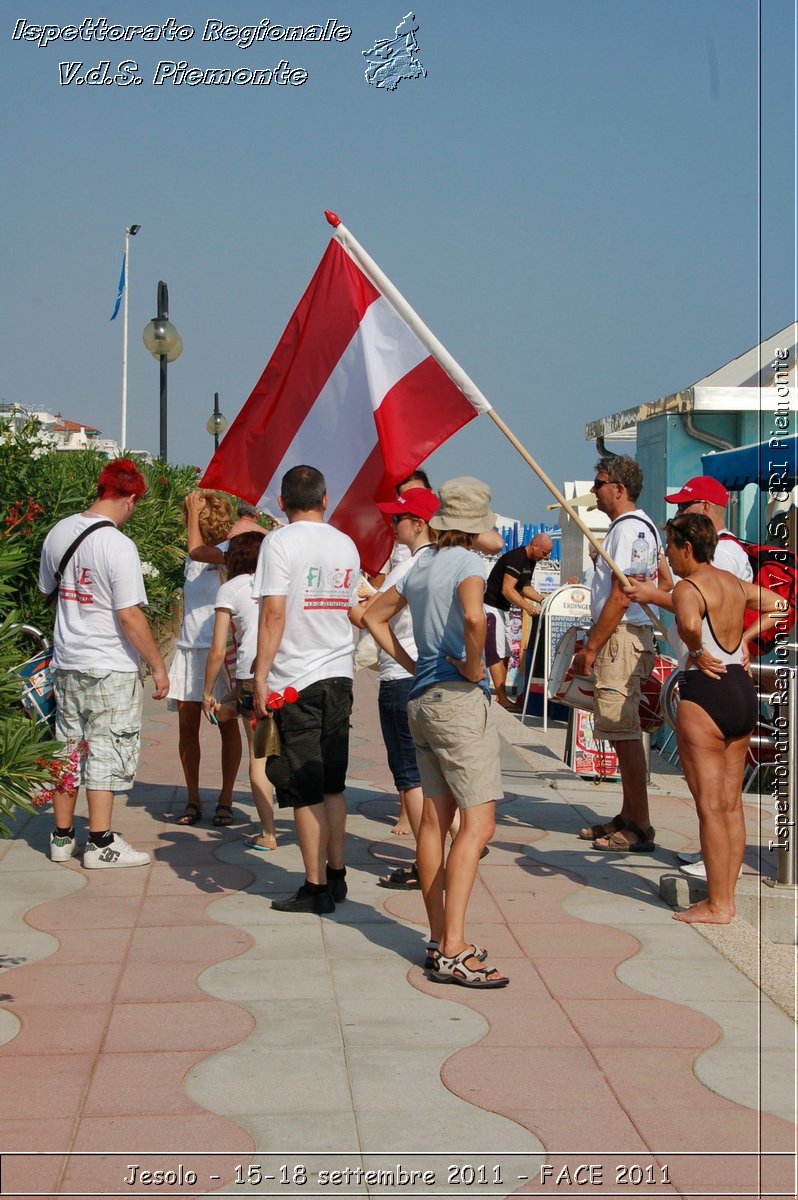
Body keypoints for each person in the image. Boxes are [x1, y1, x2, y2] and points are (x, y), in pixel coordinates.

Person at [364, 477, 509, 989]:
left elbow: (371, 615)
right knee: (479, 825)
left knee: (433, 820)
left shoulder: (420, 564)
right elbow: (475, 616)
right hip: (457, 702)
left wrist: (408, 661)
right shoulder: (470, 563)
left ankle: (436, 937)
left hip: (419, 697)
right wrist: (474, 667)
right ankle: (454, 947)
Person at [38, 458, 169, 868]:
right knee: (107, 751)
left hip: (68, 659)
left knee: (67, 749)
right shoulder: (118, 545)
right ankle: (101, 843)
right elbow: (130, 615)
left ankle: (62, 837)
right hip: (110, 663)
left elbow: (49, 591)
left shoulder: (58, 532)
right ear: (130, 498)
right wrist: (157, 666)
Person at [660, 513, 784, 923]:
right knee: (731, 806)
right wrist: (746, 642)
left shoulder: (687, 588)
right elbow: (779, 603)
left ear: (687, 548)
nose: (668, 555)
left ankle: (717, 905)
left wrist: (695, 649)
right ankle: (725, 897)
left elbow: (691, 624)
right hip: (741, 689)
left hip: (706, 687)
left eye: (670, 547)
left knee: (710, 807)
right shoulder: (732, 583)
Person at [252, 465, 360, 914]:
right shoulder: (345, 543)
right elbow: (352, 606)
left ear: (281, 502)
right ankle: (337, 876)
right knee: (334, 785)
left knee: (303, 788)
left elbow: (274, 613)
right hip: (340, 674)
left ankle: (314, 888)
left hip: (295, 680)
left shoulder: (279, 542)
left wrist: (260, 673)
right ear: (325, 498)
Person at [633, 475, 753, 879]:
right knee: (724, 799)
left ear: (704, 510)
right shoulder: (722, 560)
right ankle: (718, 872)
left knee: (713, 800)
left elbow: (694, 606)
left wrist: (654, 597)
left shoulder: (725, 556)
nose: (678, 513)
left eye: (684, 507)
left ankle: (717, 882)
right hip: (728, 680)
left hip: (709, 681)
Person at [573, 456, 670, 852]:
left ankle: (640, 825)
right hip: (629, 633)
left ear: (619, 488)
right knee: (619, 728)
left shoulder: (629, 530)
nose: (594, 490)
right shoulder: (640, 528)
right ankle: (629, 814)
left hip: (621, 636)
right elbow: (660, 577)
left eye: (599, 483)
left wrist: (592, 646)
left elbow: (621, 592)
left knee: (623, 729)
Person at [350, 488, 439, 887]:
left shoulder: (410, 567)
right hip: (434, 677)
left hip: (402, 677)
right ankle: (445, 850)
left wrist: (353, 603)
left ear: (418, 525)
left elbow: (370, 617)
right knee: (431, 773)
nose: (392, 525)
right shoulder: (443, 561)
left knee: (409, 775)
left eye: (398, 519)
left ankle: (427, 863)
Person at [168, 491, 242, 827]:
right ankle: (193, 797)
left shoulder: (226, 552)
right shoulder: (193, 552)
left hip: (220, 650)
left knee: (227, 724)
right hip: (189, 648)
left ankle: (225, 797)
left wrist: (193, 515)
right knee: (187, 729)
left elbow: (197, 550)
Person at [203, 532, 276, 851]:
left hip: (251, 677)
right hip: (287, 676)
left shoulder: (230, 589)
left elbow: (218, 649)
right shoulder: (280, 584)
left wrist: (207, 690)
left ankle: (269, 833)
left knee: (260, 756)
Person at [483, 532, 554, 709]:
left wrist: (544, 600)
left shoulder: (531, 561)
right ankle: (501, 696)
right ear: (535, 545)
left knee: (506, 654)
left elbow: (524, 587)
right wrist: (528, 607)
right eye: (544, 553)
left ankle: (502, 696)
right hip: (492, 607)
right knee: (497, 654)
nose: (545, 557)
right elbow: (507, 590)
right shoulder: (517, 557)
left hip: (503, 609)